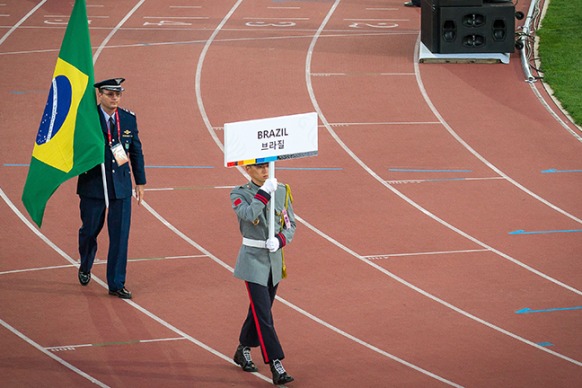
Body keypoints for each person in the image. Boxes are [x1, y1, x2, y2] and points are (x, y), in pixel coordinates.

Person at [77, 77, 146, 299]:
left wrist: (140, 182)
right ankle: (85, 264)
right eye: (110, 94)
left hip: (121, 187)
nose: (115, 98)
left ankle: (116, 283)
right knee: (89, 230)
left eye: (118, 94)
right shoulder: (88, 119)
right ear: (100, 95)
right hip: (94, 186)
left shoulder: (127, 119)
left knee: (120, 236)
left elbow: (135, 150)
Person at [230, 163, 296, 385]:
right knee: (264, 317)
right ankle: (276, 363)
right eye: (258, 168)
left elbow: (290, 225)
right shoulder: (239, 193)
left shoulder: (283, 190)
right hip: (252, 261)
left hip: (274, 261)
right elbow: (249, 214)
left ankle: (243, 348)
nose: (265, 171)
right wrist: (264, 193)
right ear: (248, 170)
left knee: (260, 311)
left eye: (266, 166)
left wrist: (279, 240)